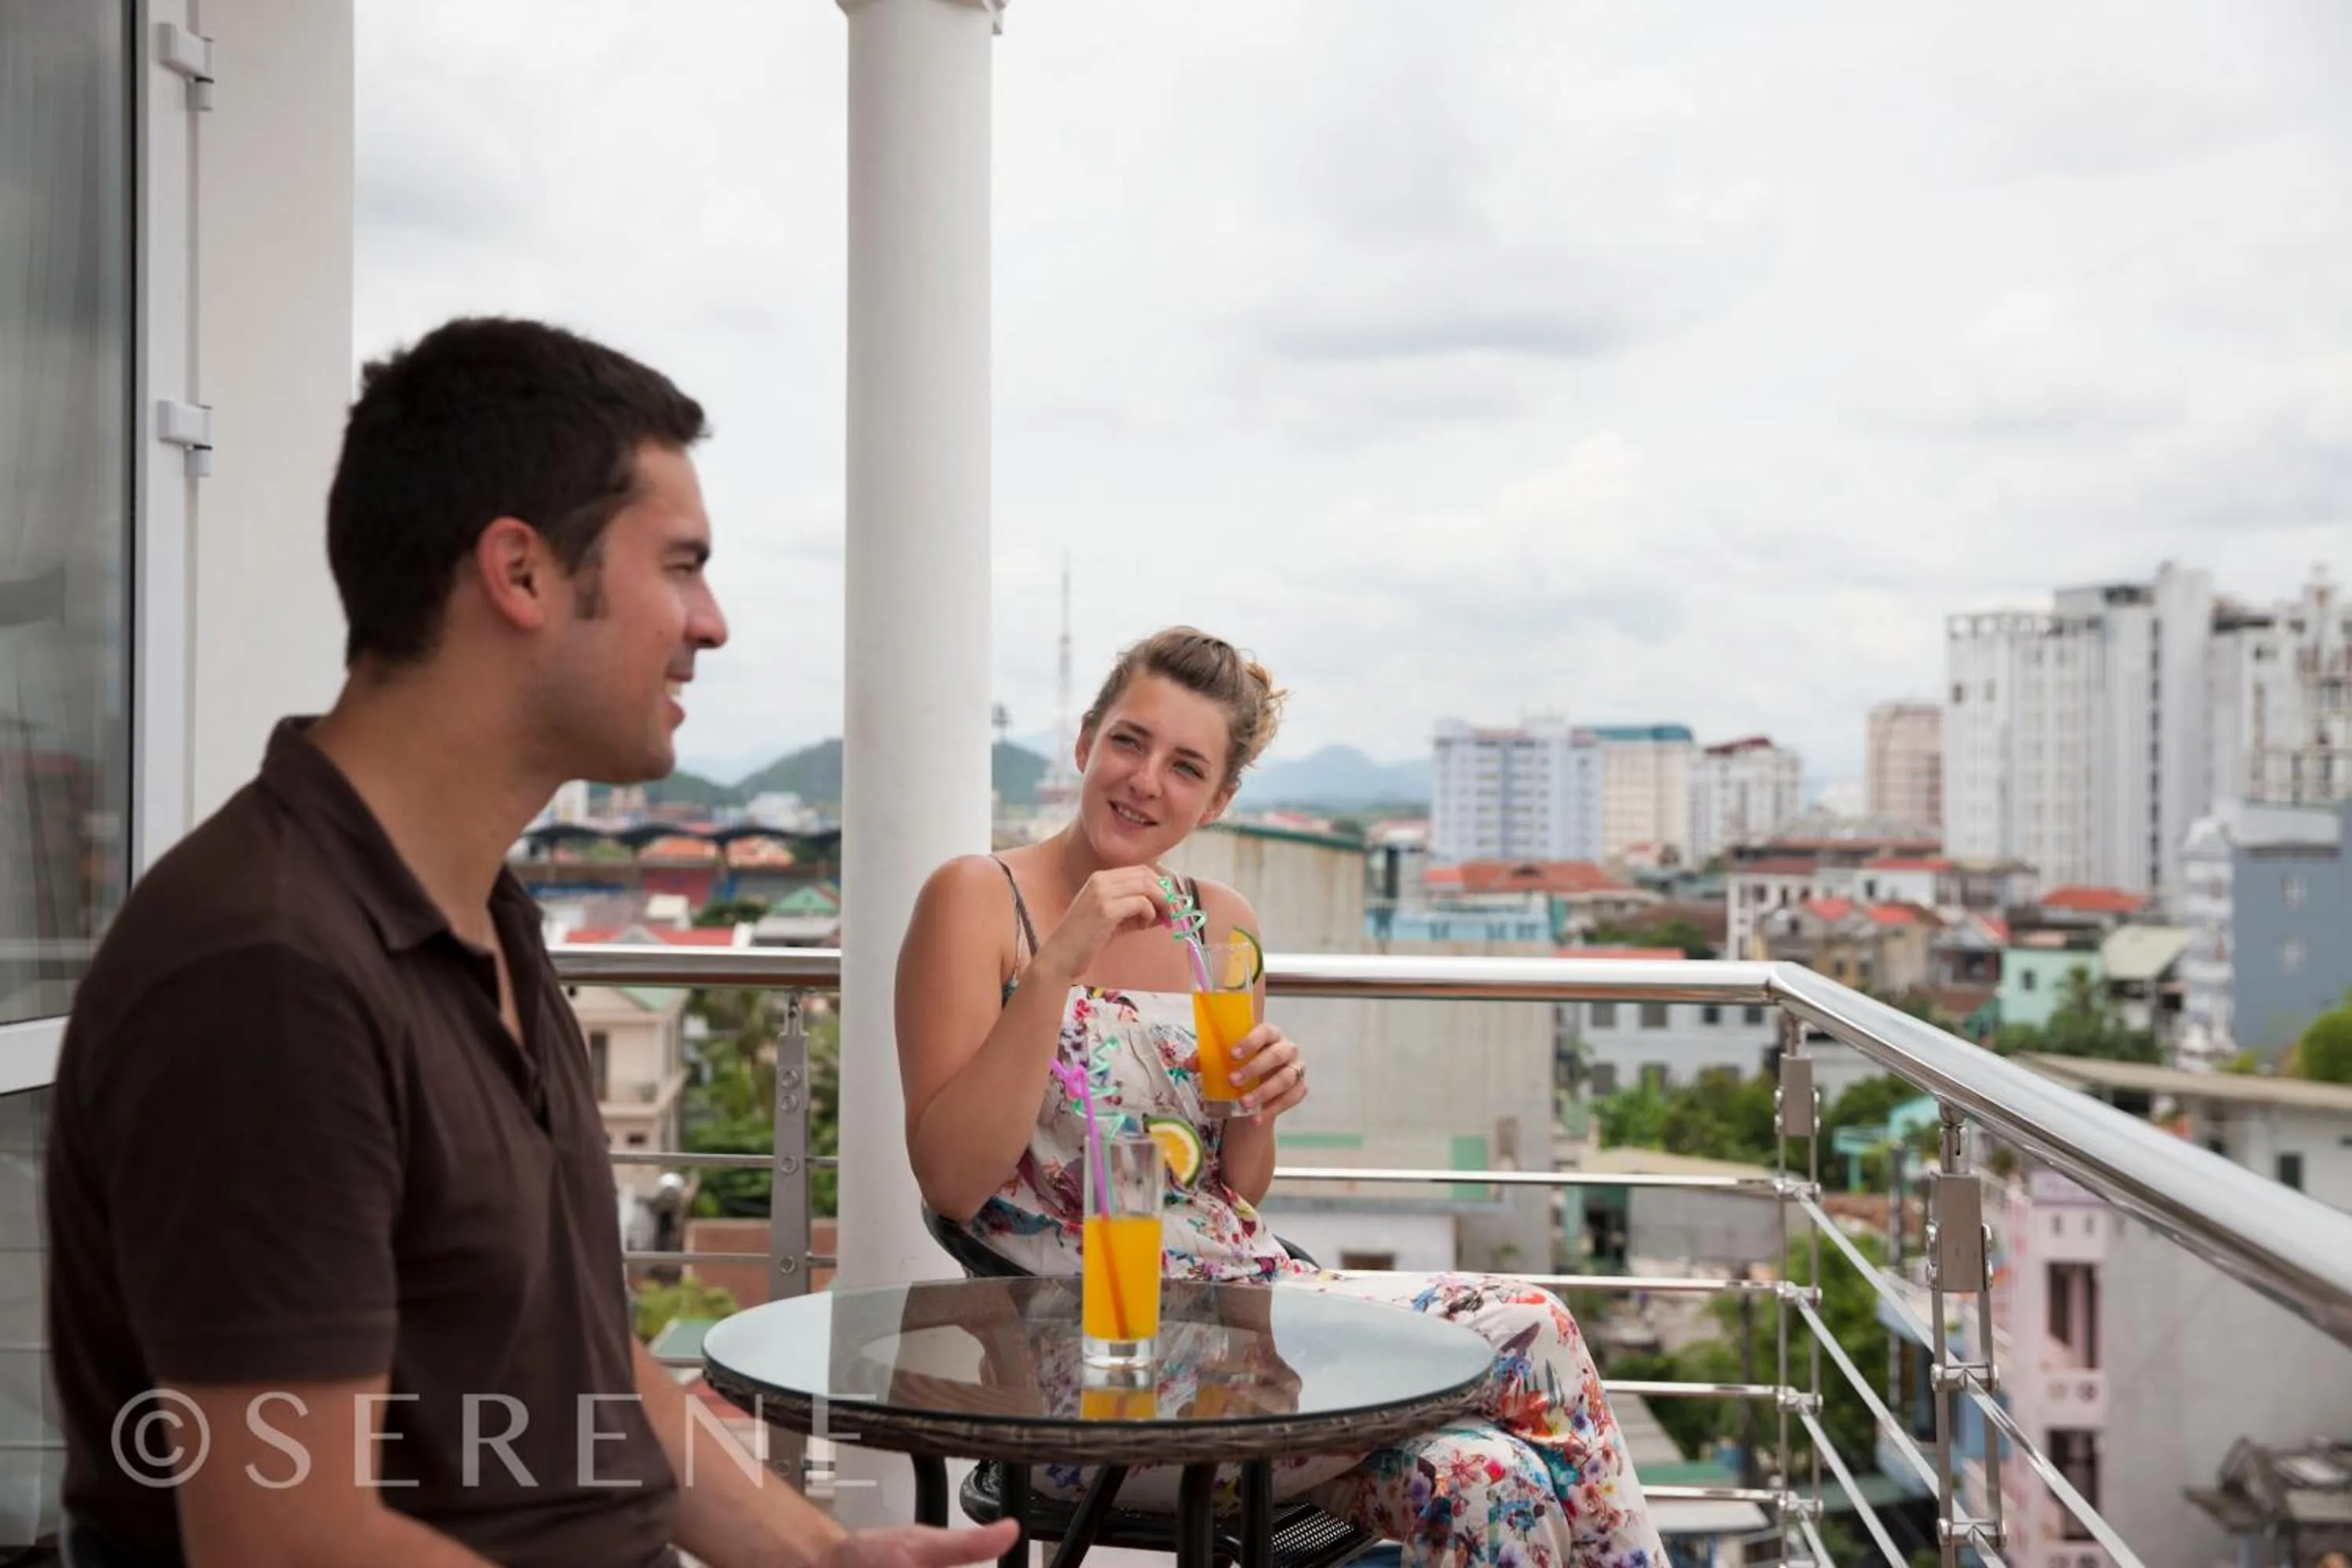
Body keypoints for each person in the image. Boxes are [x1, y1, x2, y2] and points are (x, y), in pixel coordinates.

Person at [43, 317, 1016, 1568]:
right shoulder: (268, 970)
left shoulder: (480, 917)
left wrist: (822, 1560)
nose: (711, 623)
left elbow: (587, 1364)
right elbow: (289, 1537)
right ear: (520, 573)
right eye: (680, 565)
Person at [895, 627, 1664, 1568]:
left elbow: (1234, 1193)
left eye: (1185, 766)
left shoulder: (1217, 924)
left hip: (1253, 1328)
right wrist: (1058, 962)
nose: (1145, 780)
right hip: (1083, 1374)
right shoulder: (977, 897)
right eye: (1130, 742)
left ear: (1217, 798)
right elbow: (952, 1177)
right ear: (1085, 739)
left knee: (1484, 1479)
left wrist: (1260, 1103)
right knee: (1535, 1321)